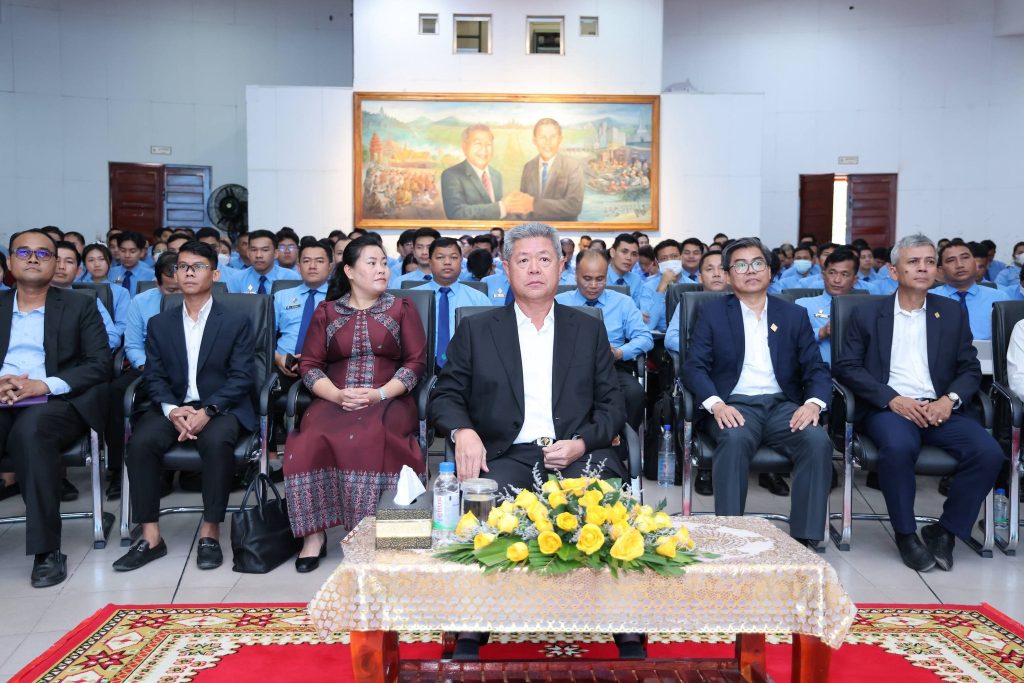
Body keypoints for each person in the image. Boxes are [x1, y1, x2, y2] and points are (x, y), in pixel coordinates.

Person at [429, 222, 636, 661]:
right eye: (523, 260)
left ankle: (626, 627)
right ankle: (473, 624)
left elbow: (612, 405)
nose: (535, 269)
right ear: (506, 269)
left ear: (561, 266)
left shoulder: (587, 329)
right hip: (507, 453)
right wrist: (464, 431)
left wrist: (582, 443)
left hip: (578, 452)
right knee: (486, 512)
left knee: (602, 509)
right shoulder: (477, 330)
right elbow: (444, 396)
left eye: (544, 259)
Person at [833, 234, 1002, 572]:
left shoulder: (950, 312)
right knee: (898, 447)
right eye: (913, 262)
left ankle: (946, 530)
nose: (923, 268)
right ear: (894, 271)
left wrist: (949, 400)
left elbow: (969, 367)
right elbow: (847, 367)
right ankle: (906, 533)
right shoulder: (868, 313)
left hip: (939, 407)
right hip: (890, 408)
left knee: (989, 453)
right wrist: (892, 399)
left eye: (929, 262)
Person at [284, 235, 426, 570]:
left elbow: (416, 363)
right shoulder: (327, 312)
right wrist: (336, 394)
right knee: (309, 438)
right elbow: (310, 365)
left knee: (377, 434)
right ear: (349, 271)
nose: (382, 270)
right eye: (372, 263)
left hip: (389, 396)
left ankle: (394, 536)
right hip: (335, 397)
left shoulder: (401, 308)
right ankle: (313, 536)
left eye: (384, 263)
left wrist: (380, 393)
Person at [113, 242, 256, 573]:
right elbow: (154, 375)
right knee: (140, 444)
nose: (189, 273)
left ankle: (210, 530)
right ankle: (150, 537)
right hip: (173, 406)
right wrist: (171, 410)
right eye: (182, 267)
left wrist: (208, 411)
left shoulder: (236, 321)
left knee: (217, 442)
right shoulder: (160, 323)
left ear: (215, 274)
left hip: (221, 406)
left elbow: (241, 376)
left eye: (198, 266)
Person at [681, 237, 832, 546]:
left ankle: (805, 538)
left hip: (782, 406)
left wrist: (813, 404)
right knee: (734, 438)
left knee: (817, 440)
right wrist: (716, 405)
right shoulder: (712, 313)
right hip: (733, 404)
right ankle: (731, 534)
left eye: (757, 263)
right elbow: (694, 367)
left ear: (770, 271)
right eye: (740, 265)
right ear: (727, 275)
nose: (750, 270)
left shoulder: (792, 315)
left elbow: (815, 367)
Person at [0, 229, 110, 587]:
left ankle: (46, 550)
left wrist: (43, 384)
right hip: (2, 398)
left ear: (56, 263)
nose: (33, 258)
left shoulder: (80, 305)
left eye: (43, 253)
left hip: (56, 402)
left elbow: (99, 364)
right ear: (10, 262)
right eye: (24, 252)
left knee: (31, 433)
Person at [110, 251, 182, 500]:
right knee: (115, 393)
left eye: (181, 288)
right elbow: (132, 345)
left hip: (188, 368)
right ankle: (119, 470)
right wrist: (147, 368)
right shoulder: (141, 302)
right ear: (157, 283)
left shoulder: (199, 299)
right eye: (171, 290)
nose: (178, 294)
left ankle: (176, 467)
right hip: (148, 366)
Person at [555, 249, 652, 429]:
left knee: (634, 393)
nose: (593, 285)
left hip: (611, 366)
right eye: (587, 278)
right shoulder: (558, 302)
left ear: (607, 277)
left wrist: (619, 352)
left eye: (600, 279)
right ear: (576, 276)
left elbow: (645, 338)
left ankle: (623, 439)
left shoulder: (623, 302)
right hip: (567, 369)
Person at [418, 237, 492, 369]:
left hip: (466, 367)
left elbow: (488, 340)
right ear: (430, 262)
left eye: (453, 257)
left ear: (461, 260)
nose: (447, 262)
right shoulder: (413, 298)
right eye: (440, 257)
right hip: (421, 366)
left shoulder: (479, 299)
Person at [273, 238, 332, 382]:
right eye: (306, 261)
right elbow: (264, 337)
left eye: (319, 261)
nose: (312, 266)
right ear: (299, 267)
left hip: (325, 371)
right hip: (283, 367)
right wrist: (278, 358)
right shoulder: (281, 296)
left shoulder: (340, 297)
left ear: (330, 267)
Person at [441, 125, 529, 220]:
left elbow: (500, 216)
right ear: (464, 147)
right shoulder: (451, 175)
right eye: (478, 144)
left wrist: (518, 209)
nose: (484, 150)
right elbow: (456, 213)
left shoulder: (496, 175)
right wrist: (502, 207)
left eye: (488, 144)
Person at [933, 239, 1009, 341]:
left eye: (965, 258)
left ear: (975, 264)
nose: (959, 265)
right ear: (941, 270)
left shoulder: (999, 298)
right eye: (951, 260)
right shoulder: (929, 299)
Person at [795, 247, 860, 365]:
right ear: (823, 275)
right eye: (832, 273)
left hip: (855, 371)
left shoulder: (864, 309)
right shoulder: (802, 305)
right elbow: (792, 338)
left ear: (855, 280)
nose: (837, 280)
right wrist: (821, 332)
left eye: (844, 274)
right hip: (815, 371)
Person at [51, 242, 120, 350]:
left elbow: (113, 338)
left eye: (69, 261)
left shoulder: (90, 300)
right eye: (56, 261)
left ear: (78, 270)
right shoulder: (32, 299)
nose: (61, 266)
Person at [517, 118, 584, 221]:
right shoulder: (528, 167)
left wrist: (534, 204)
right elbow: (523, 208)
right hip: (533, 229)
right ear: (534, 141)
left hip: (562, 229)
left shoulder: (573, 166)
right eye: (542, 137)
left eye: (553, 137)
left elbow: (574, 206)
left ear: (560, 139)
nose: (547, 142)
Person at [79, 243, 130, 336]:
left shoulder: (121, 292)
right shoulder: (77, 289)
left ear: (109, 262)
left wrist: (106, 339)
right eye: (91, 260)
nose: (97, 264)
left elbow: (122, 325)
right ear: (85, 264)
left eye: (101, 259)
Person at [232, 229, 299, 294]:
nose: (258, 255)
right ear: (248, 253)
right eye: (254, 250)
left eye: (265, 250)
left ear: (276, 253)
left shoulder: (291, 278)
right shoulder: (237, 279)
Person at [109, 232, 155, 296]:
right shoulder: (110, 273)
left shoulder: (151, 276)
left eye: (132, 251)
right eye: (123, 251)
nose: (127, 255)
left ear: (142, 252)